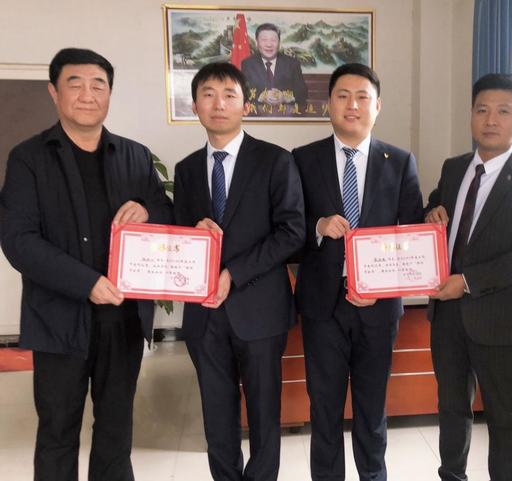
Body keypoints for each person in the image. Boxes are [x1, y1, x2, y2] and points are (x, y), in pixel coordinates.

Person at [0, 48, 173, 481]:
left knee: (116, 429)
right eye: (75, 84)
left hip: (123, 319)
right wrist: (86, 283)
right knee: (58, 431)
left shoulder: (135, 156)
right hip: (59, 321)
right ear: (54, 92)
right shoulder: (28, 158)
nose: (87, 94)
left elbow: (167, 214)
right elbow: (19, 241)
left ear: (109, 93)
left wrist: (148, 209)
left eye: (99, 85)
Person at [173, 62, 305, 481]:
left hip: (259, 309)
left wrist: (233, 272)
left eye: (229, 94)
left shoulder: (275, 160)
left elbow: (292, 232)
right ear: (195, 105)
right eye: (208, 94)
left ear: (245, 105)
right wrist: (190, 233)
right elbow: (179, 236)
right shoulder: (186, 169)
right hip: (204, 314)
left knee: (265, 414)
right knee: (217, 415)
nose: (218, 104)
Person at [425, 73, 512, 481]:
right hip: (447, 318)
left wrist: (468, 281)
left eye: (503, 111)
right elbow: (436, 209)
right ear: (471, 115)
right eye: (482, 110)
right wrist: (431, 212)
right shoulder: (453, 169)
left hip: (500, 319)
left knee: (504, 417)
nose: (490, 120)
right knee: (451, 409)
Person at [293, 63, 424, 481]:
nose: (352, 105)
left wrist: (380, 287)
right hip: (322, 307)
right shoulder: (302, 160)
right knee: (324, 411)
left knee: (372, 411)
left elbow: (412, 238)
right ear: (328, 104)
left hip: (378, 309)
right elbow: (287, 230)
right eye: (343, 96)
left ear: (377, 106)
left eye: (362, 97)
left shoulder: (399, 162)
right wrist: (317, 227)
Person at [241, 22, 308, 104]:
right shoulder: (248, 64)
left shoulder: (292, 64)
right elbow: (243, 93)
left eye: (273, 40)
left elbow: (303, 93)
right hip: (258, 111)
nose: (269, 44)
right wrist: (260, 98)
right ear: (257, 43)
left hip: (286, 111)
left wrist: (285, 98)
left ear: (279, 42)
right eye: (264, 40)